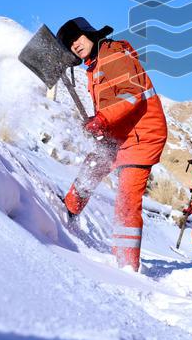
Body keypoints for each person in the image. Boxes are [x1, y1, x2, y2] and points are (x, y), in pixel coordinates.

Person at [56, 17, 167, 271]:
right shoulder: (95, 66)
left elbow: (132, 96)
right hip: (120, 134)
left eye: (77, 38)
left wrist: (102, 119)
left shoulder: (113, 56)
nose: (74, 45)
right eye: (69, 43)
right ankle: (67, 211)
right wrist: (100, 125)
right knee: (92, 166)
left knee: (127, 198)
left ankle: (126, 266)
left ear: (89, 34)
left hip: (141, 135)